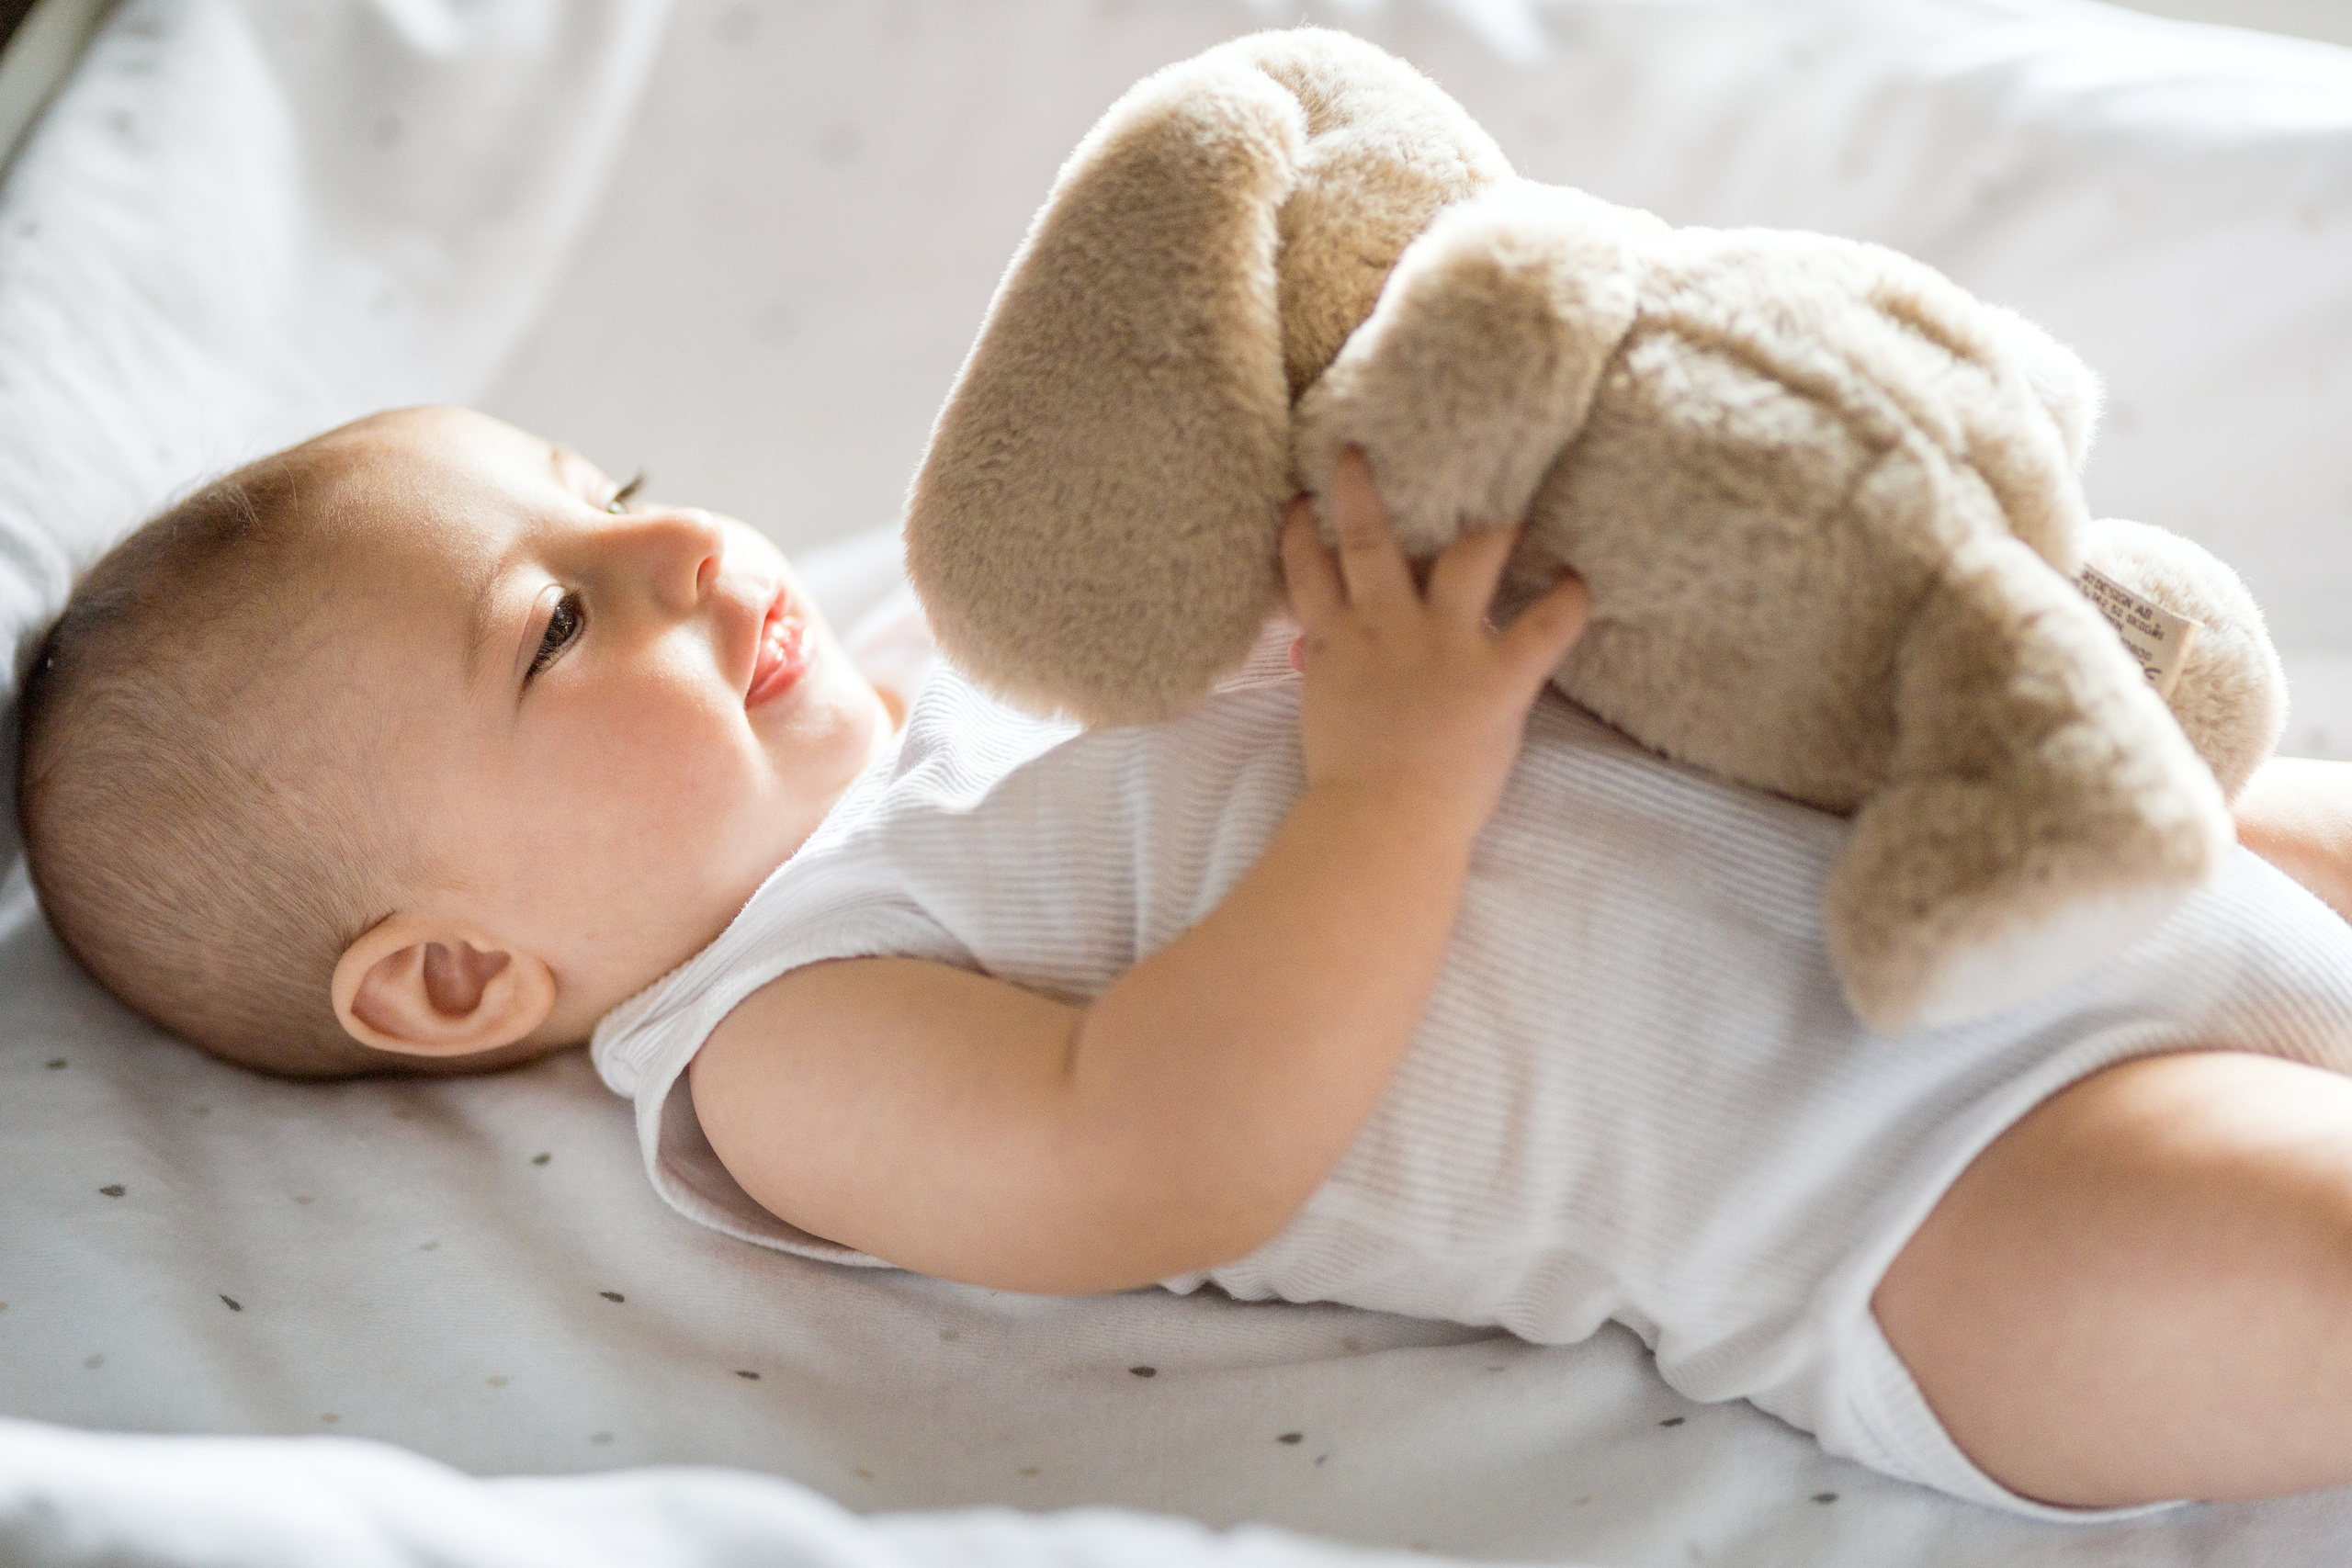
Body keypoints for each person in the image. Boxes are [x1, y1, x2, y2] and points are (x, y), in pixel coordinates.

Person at [20, 404, 2352, 1519]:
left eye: (605, 480)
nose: (675, 542)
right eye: (553, 618)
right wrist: (1391, 783)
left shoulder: (956, 659)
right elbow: (1167, 1151)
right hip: (1912, 1188)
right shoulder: (779, 1042)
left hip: (2031, 841)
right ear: (449, 979)